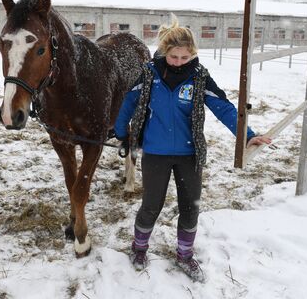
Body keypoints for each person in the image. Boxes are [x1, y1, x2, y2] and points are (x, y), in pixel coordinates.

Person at [114, 17, 271, 283]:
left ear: (193, 54)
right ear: (165, 52)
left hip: (189, 155)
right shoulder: (150, 73)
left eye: (185, 57)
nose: (178, 61)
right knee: (151, 205)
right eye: (174, 56)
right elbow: (128, 103)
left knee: (190, 206)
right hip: (156, 154)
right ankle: (139, 249)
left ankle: (185, 255)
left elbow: (224, 108)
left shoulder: (199, 77)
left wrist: (248, 136)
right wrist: (121, 134)